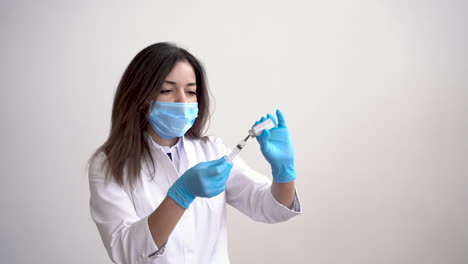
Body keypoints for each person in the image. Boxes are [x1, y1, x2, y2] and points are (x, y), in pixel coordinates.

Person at [88, 42, 301, 264]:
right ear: (140, 97)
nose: (183, 101)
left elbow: (267, 207)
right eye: (167, 90)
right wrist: (180, 194)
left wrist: (284, 171)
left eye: (191, 91)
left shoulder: (211, 150)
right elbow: (126, 253)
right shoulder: (108, 165)